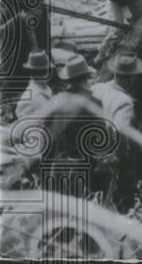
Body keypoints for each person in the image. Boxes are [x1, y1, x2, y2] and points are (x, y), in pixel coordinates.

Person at [37, 53, 114, 198]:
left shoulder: (56, 101)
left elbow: (46, 139)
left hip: (58, 166)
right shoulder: (93, 103)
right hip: (82, 168)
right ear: (86, 78)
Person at [93, 52, 142, 212]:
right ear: (131, 78)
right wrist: (124, 156)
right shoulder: (124, 101)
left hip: (95, 155)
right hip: (116, 159)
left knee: (99, 203)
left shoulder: (97, 89)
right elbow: (121, 132)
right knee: (121, 203)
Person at [15, 48, 56, 120]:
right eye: (38, 72)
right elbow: (24, 126)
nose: (44, 75)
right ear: (31, 73)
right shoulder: (29, 98)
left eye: (45, 71)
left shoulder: (47, 88)